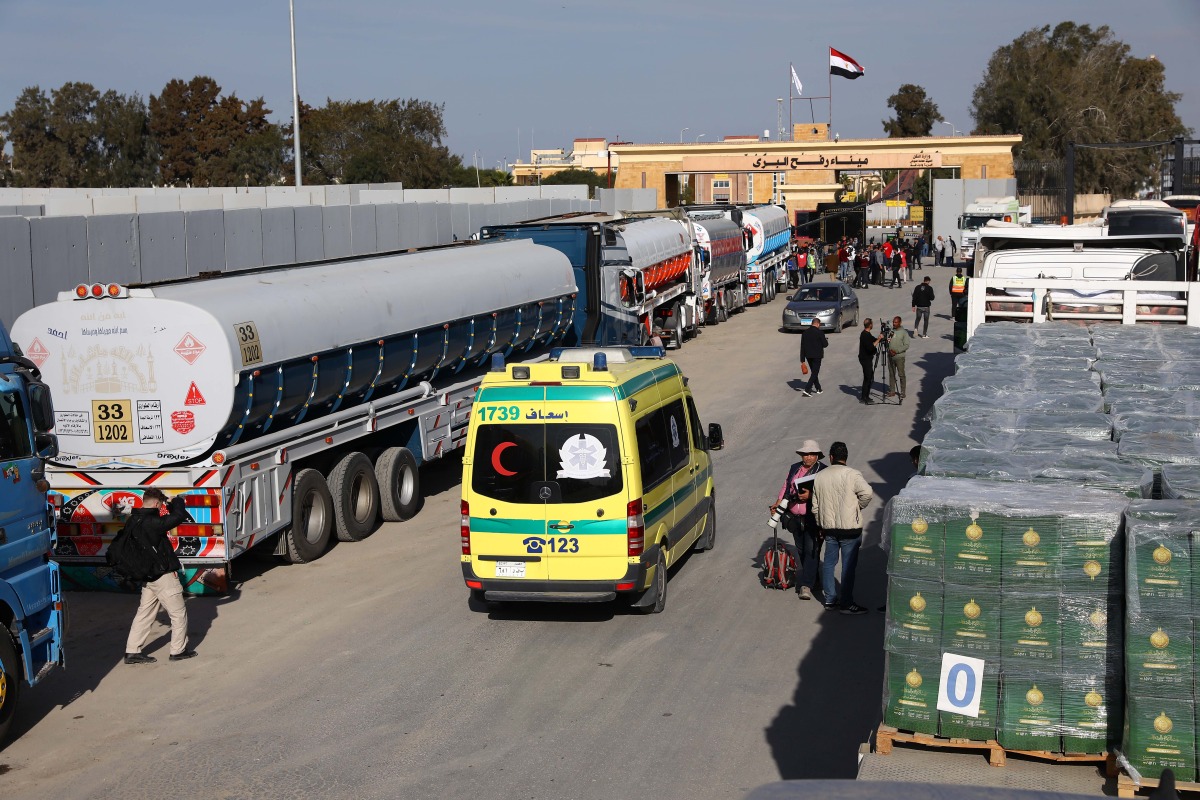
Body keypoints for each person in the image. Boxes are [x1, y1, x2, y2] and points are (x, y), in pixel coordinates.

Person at [124, 488, 197, 664]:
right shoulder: (152, 522)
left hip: (148, 575)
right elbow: (178, 517)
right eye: (161, 505)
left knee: (145, 613)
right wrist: (176, 502)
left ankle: (132, 651)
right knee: (178, 614)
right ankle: (178, 650)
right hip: (163, 576)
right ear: (156, 503)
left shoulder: (133, 520)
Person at [810, 441, 873, 614]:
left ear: (831, 457)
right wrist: (858, 507)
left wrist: (821, 522)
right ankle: (846, 603)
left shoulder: (820, 476)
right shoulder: (852, 474)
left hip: (829, 529)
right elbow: (867, 493)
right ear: (845, 457)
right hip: (850, 530)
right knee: (848, 566)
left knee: (829, 564)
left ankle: (830, 600)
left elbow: (815, 505)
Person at [774, 440, 826, 600]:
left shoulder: (823, 471)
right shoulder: (794, 468)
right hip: (794, 517)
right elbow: (786, 486)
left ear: (817, 455)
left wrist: (810, 496)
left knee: (811, 550)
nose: (808, 457)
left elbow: (827, 493)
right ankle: (814, 579)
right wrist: (777, 503)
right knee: (802, 549)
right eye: (805, 454)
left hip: (812, 517)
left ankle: (806, 585)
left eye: (811, 454)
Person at [800, 318, 828, 396]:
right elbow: (825, 344)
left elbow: (802, 346)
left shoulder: (805, 333)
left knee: (814, 373)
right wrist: (825, 340)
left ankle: (818, 388)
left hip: (808, 356)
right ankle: (807, 389)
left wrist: (802, 360)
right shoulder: (820, 332)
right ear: (818, 324)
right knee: (815, 373)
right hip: (817, 356)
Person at [859, 318, 883, 404]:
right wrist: (879, 339)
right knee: (868, 378)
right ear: (870, 325)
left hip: (867, 359)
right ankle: (864, 397)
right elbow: (871, 347)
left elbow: (873, 339)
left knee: (869, 377)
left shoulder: (867, 334)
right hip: (865, 359)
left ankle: (865, 396)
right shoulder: (864, 335)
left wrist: (880, 338)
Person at [887, 315, 910, 399]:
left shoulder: (904, 333)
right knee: (891, 374)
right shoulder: (891, 331)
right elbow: (888, 341)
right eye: (893, 322)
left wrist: (896, 351)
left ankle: (903, 392)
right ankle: (892, 390)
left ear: (900, 323)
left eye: (896, 322)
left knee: (901, 374)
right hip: (890, 356)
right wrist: (889, 350)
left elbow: (906, 345)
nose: (894, 323)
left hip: (899, 357)